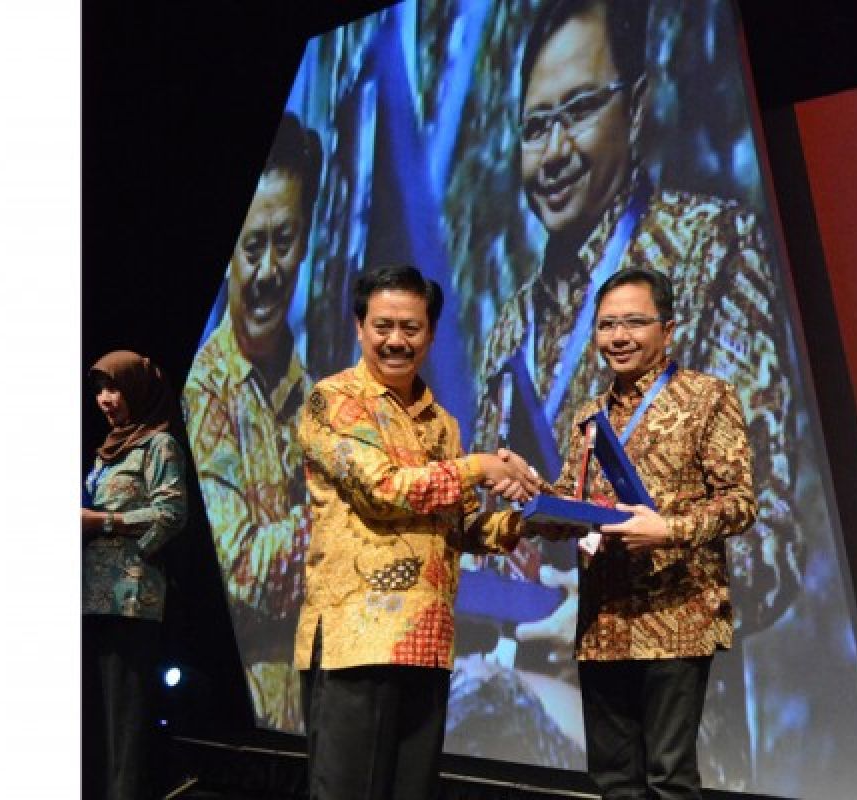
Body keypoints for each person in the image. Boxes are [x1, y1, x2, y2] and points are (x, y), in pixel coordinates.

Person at [472, 0, 798, 640]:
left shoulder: (716, 250)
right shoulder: (510, 327)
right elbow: (497, 529)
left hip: (662, 682)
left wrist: (614, 600)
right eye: (537, 126)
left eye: (579, 110)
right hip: (514, 705)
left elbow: (770, 541)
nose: (555, 150)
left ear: (639, 105)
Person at [293, 265, 541, 800]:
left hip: (427, 644)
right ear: (359, 326)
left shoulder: (441, 422)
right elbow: (383, 490)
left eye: (412, 328)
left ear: (430, 334)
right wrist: (479, 469)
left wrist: (530, 520)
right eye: (384, 326)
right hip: (355, 642)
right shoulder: (332, 401)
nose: (396, 341)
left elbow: (459, 524)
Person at [538, 268, 757, 798]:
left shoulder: (708, 397)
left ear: (669, 328)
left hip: (676, 619)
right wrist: (530, 492)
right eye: (607, 324)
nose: (618, 336)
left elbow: (741, 502)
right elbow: (575, 501)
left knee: (669, 778)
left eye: (634, 322)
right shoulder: (589, 416)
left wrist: (670, 530)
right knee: (615, 782)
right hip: (604, 621)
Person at [182, 112, 323, 731]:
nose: (269, 271)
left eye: (285, 242)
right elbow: (239, 571)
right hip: (245, 718)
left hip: (314, 707)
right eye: (253, 247)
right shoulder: (205, 392)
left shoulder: (313, 389)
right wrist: (344, 509)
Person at [82, 350, 188, 800]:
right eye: (100, 389)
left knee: (125, 723)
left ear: (138, 391)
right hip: (91, 597)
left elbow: (172, 512)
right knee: (94, 720)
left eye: (115, 388)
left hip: (130, 600)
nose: (106, 399)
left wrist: (106, 523)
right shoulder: (108, 451)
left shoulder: (158, 445)